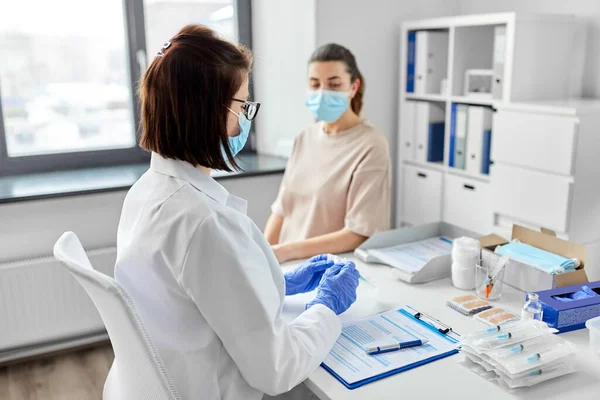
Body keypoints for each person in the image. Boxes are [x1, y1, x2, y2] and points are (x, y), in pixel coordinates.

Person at [114, 25, 359, 400]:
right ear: (208, 113)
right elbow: (277, 370)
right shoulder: (204, 223)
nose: (247, 117)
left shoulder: (146, 192)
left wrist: (275, 281)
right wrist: (327, 306)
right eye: (243, 105)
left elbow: (195, 294)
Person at [264, 43, 391, 263]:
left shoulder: (371, 145)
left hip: (325, 269)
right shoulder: (304, 138)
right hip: (284, 266)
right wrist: (263, 254)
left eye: (333, 85)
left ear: (353, 87)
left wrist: (285, 252)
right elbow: (282, 210)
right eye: (315, 84)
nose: (322, 92)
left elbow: (358, 232)